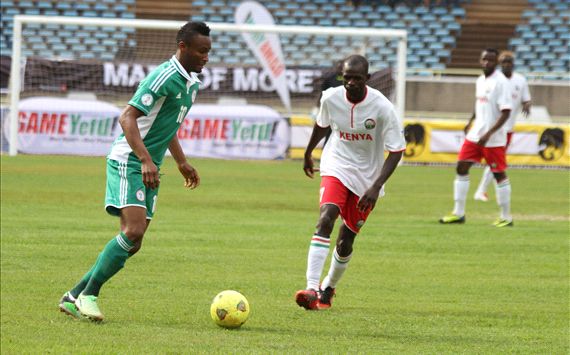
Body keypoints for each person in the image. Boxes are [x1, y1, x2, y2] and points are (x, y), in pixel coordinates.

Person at [58, 21, 211, 321]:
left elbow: (168, 126)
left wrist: (180, 161)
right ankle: (89, 295)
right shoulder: (163, 77)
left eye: (209, 51)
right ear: (183, 47)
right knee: (133, 230)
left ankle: (73, 295)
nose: (206, 57)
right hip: (129, 160)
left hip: (149, 165)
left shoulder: (191, 83)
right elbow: (127, 117)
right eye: (201, 51)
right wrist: (144, 159)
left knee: (134, 242)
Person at [295, 55, 406, 310]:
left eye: (357, 78)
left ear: (367, 79)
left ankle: (328, 287)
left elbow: (397, 150)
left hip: (368, 177)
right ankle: (311, 287)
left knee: (346, 240)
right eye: (347, 78)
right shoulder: (330, 98)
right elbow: (322, 125)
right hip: (336, 163)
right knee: (326, 217)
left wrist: (376, 186)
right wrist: (308, 152)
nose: (351, 83)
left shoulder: (382, 107)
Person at [439, 48, 513, 227]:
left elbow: (506, 112)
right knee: (461, 167)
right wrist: (470, 121)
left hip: (493, 139)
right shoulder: (480, 80)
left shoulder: (501, 82)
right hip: (475, 134)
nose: (487, 63)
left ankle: (506, 217)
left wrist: (489, 133)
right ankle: (459, 213)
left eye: (491, 60)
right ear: (480, 61)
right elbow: (479, 104)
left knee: (499, 174)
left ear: (496, 63)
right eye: (484, 59)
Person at [473, 51, 531, 202]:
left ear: (513, 63)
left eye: (509, 61)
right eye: (504, 61)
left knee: (496, 163)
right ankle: (482, 191)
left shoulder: (521, 80)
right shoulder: (495, 80)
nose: (506, 64)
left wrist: (527, 104)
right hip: (493, 129)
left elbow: (526, 98)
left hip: (508, 127)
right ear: (500, 63)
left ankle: (483, 191)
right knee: (496, 163)